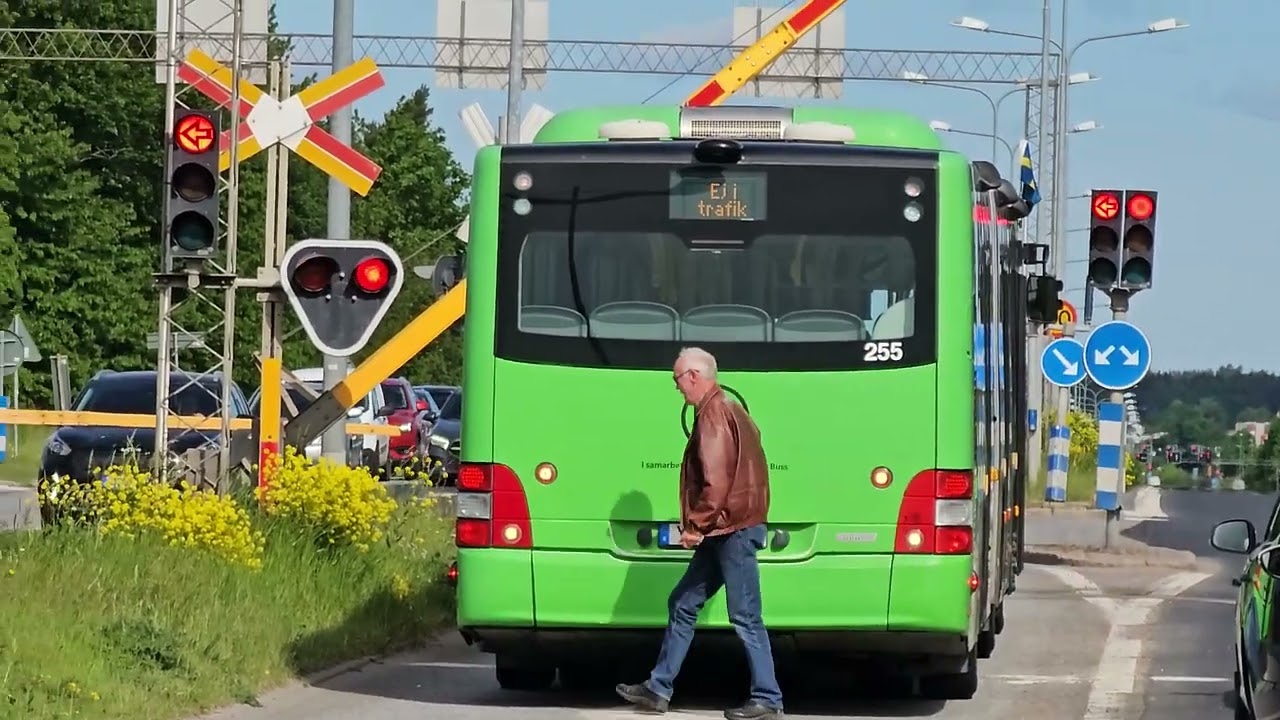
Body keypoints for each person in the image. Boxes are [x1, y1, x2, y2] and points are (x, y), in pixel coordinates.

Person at [615, 347, 784, 720]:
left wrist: (695, 527)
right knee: (683, 602)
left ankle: (768, 698)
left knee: (746, 616)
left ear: (694, 375)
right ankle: (658, 688)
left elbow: (716, 479)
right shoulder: (733, 410)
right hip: (731, 527)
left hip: (731, 530)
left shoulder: (713, 415)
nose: (677, 388)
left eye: (677, 379)